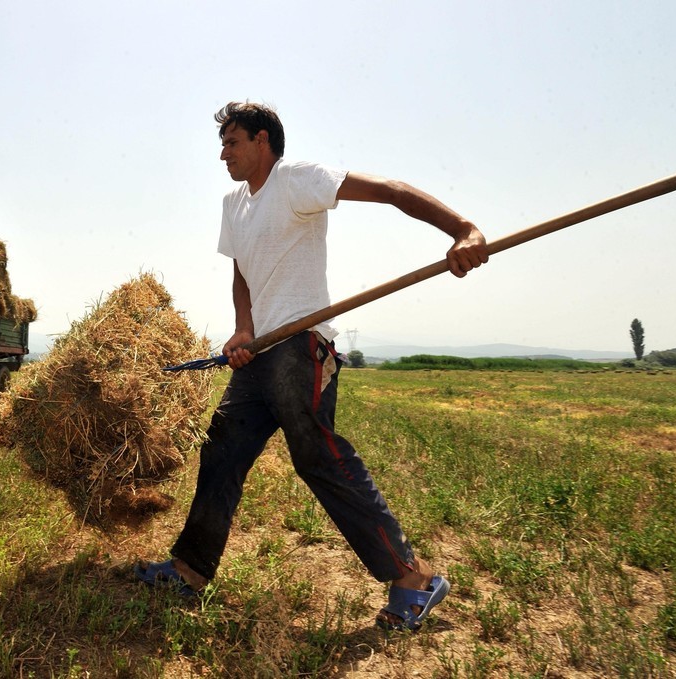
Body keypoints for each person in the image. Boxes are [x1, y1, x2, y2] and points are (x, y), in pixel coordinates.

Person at [136, 102, 489, 632]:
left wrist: (462, 229)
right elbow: (242, 272)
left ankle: (415, 579)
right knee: (222, 448)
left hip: (302, 346)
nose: (223, 153)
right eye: (222, 143)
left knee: (317, 457)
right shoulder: (234, 203)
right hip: (258, 354)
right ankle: (189, 569)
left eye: (232, 142)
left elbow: (391, 190)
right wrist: (243, 328)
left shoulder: (297, 180)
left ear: (262, 140)